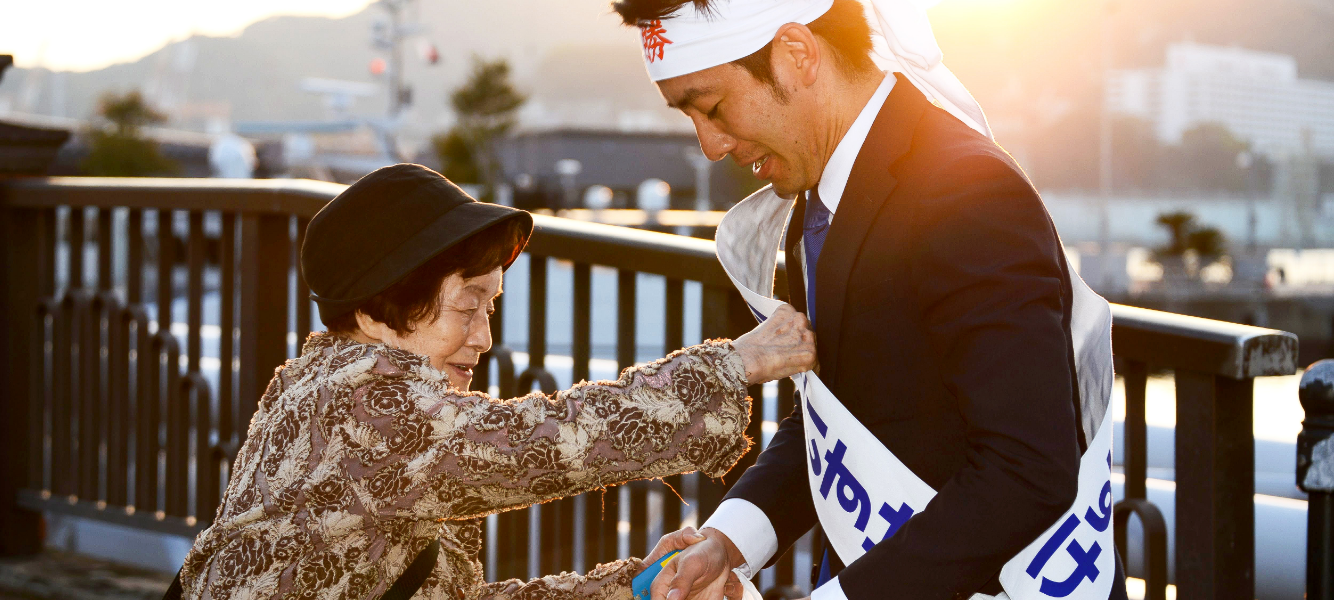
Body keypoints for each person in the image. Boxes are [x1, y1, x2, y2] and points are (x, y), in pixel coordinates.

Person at [611, 1, 1129, 599]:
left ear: (796, 54)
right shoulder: (826, 191)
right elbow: (838, 415)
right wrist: (729, 541)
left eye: (713, 107)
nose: (709, 144)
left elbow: (1027, 469)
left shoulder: (967, 192)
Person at [173, 163, 817, 600]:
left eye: (492, 306)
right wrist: (737, 365)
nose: (483, 338)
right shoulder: (361, 404)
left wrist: (640, 586)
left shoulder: (328, 387)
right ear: (376, 309)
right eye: (466, 305)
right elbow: (553, 441)